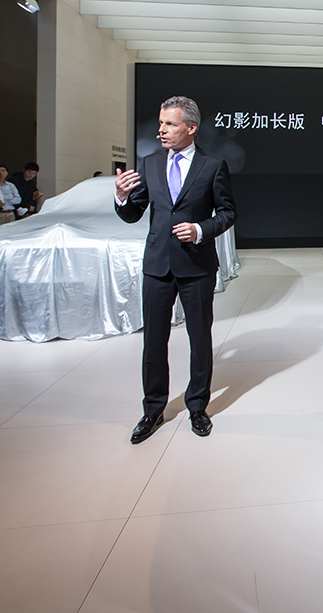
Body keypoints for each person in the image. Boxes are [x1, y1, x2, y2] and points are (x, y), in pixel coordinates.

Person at [115, 95, 237, 444]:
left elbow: (228, 213)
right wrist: (121, 197)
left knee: (200, 339)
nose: (162, 130)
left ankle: (197, 406)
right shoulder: (149, 163)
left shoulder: (212, 165)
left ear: (191, 128)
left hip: (196, 265)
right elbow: (133, 213)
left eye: (170, 124)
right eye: (160, 123)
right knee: (154, 342)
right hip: (157, 265)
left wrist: (199, 230)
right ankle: (152, 410)